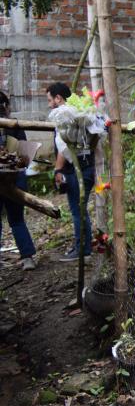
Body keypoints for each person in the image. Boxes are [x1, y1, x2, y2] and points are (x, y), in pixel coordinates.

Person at [47, 82, 95, 261]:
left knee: (78, 211)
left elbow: (63, 146)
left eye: (50, 99)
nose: (49, 104)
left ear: (59, 98)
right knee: (80, 210)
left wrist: (57, 170)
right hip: (86, 167)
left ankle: (83, 250)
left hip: (77, 170)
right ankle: (82, 247)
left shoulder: (65, 116)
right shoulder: (77, 113)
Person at [0, 92, 37, 270]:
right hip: (15, 177)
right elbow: (25, 153)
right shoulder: (14, 125)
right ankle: (28, 257)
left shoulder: (13, 125)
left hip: (9, 178)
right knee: (17, 220)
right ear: (6, 107)